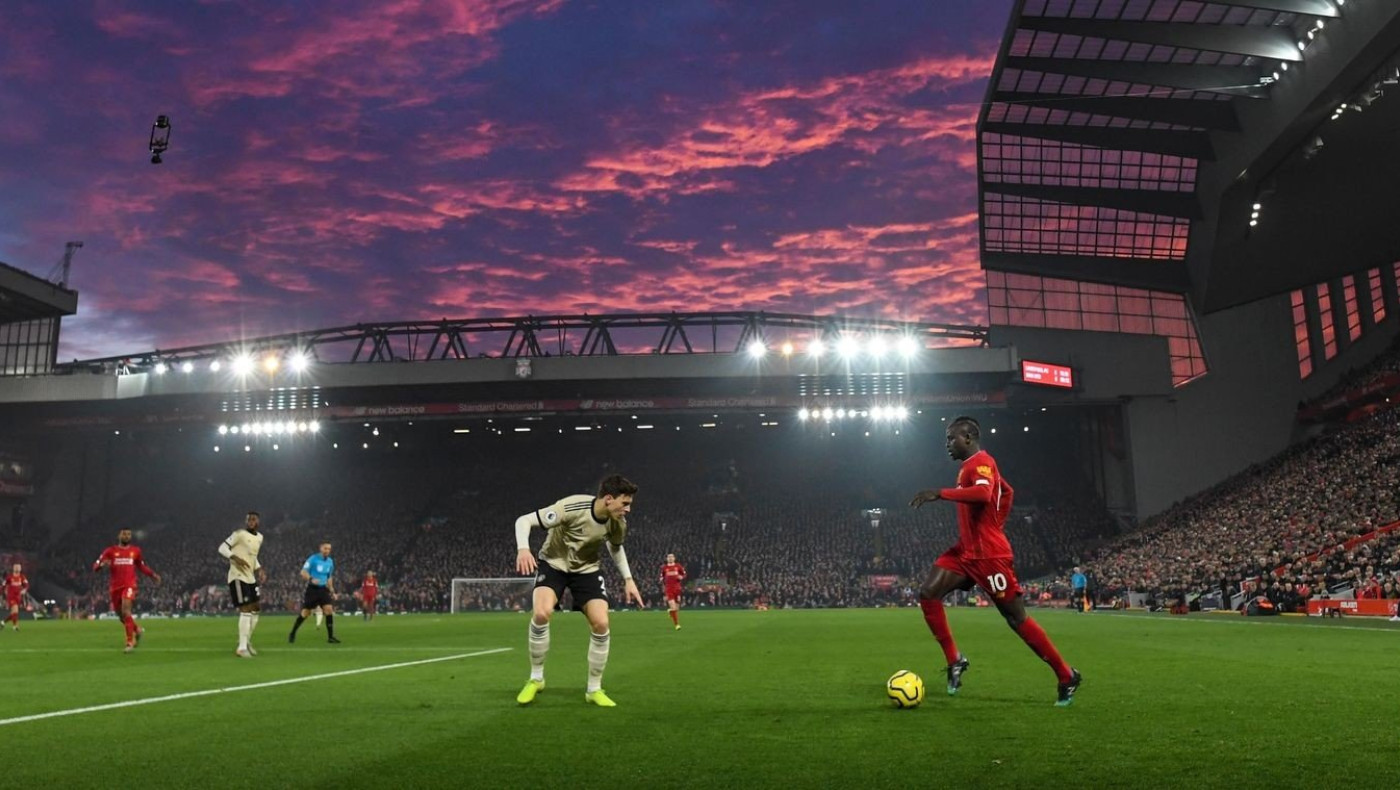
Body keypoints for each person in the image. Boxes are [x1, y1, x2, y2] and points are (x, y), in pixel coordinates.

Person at [909, 416, 1081, 706]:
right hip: (966, 553)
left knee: (1016, 619)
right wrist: (995, 523)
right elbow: (1007, 491)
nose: (947, 444)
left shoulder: (981, 462)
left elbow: (984, 493)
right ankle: (955, 659)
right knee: (928, 593)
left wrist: (939, 493)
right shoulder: (970, 466)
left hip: (990, 557)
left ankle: (1066, 675)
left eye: (951, 438)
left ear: (968, 437)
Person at [513, 474, 646, 707]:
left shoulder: (618, 523)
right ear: (608, 499)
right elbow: (523, 521)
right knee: (542, 614)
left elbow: (616, 547)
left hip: (586, 570)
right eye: (625, 503)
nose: (628, 509)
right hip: (553, 564)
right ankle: (536, 678)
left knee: (601, 624)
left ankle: (594, 689)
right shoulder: (572, 506)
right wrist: (523, 549)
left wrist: (628, 579)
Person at [93, 530, 161, 652]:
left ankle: (129, 643)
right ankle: (137, 630)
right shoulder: (110, 551)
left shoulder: (135, 551)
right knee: (121, 616)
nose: (126, 536)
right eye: (124, 534)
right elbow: (95, 567)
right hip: (115, 588)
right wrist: (102, 565)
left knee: (126, 612)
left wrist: (153, 575)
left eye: (128, 534)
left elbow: (141, 566)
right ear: (119, 536)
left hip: (129, 585)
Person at [218, 511, 266, 658]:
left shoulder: (259, 537)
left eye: (254, 519)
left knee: (256, 609)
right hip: (237, 576)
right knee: (245, 609)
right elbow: (222, 548)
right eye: (249, 519)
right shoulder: (239, 534)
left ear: (258, 522)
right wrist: (234, 557)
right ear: (246, 521)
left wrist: (259, 569)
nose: (251, 522)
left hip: (250, 577)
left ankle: (246, 640)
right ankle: (241, 648)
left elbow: (253, 557)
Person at [289, 542, 340, 644]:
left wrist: (332, 591)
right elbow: (303, 572)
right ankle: (293, 632)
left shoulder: (330, 562)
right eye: (325, 548)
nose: (327, 551)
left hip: (323, 590)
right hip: (312, 590)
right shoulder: (313, 559)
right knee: (305, 613)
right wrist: (311, 579)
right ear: (320, 548)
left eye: (329, 549)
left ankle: (330, 637)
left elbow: (329, 577)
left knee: (329, 610)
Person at [661, 553, 687, 630]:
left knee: (676, 609)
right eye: (669, 557)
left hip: (677, 589)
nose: (670, 558)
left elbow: (684, 574)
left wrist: (681, 577)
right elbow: (661, 577)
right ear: (667, 559)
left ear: (674, 558)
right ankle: (677, 625)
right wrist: (662, 580)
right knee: (673, 606)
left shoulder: (678, 566)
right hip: (669, 589)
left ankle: (670, 611)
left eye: (672, 557)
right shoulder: (664, 568)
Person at [4, 562, 29, 632]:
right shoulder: (9, 577)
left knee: (14, 613)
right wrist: (2, 591)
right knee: (15, 610)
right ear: (13, 568)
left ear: (20, 569)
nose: (17, 568)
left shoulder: (22, 577)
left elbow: (26, 585)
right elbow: (3, 585)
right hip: (11, 597)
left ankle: (3, 622)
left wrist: (24, 590)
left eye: (18, 567)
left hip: (18, 597)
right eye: (16, 567)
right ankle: (15, 627)